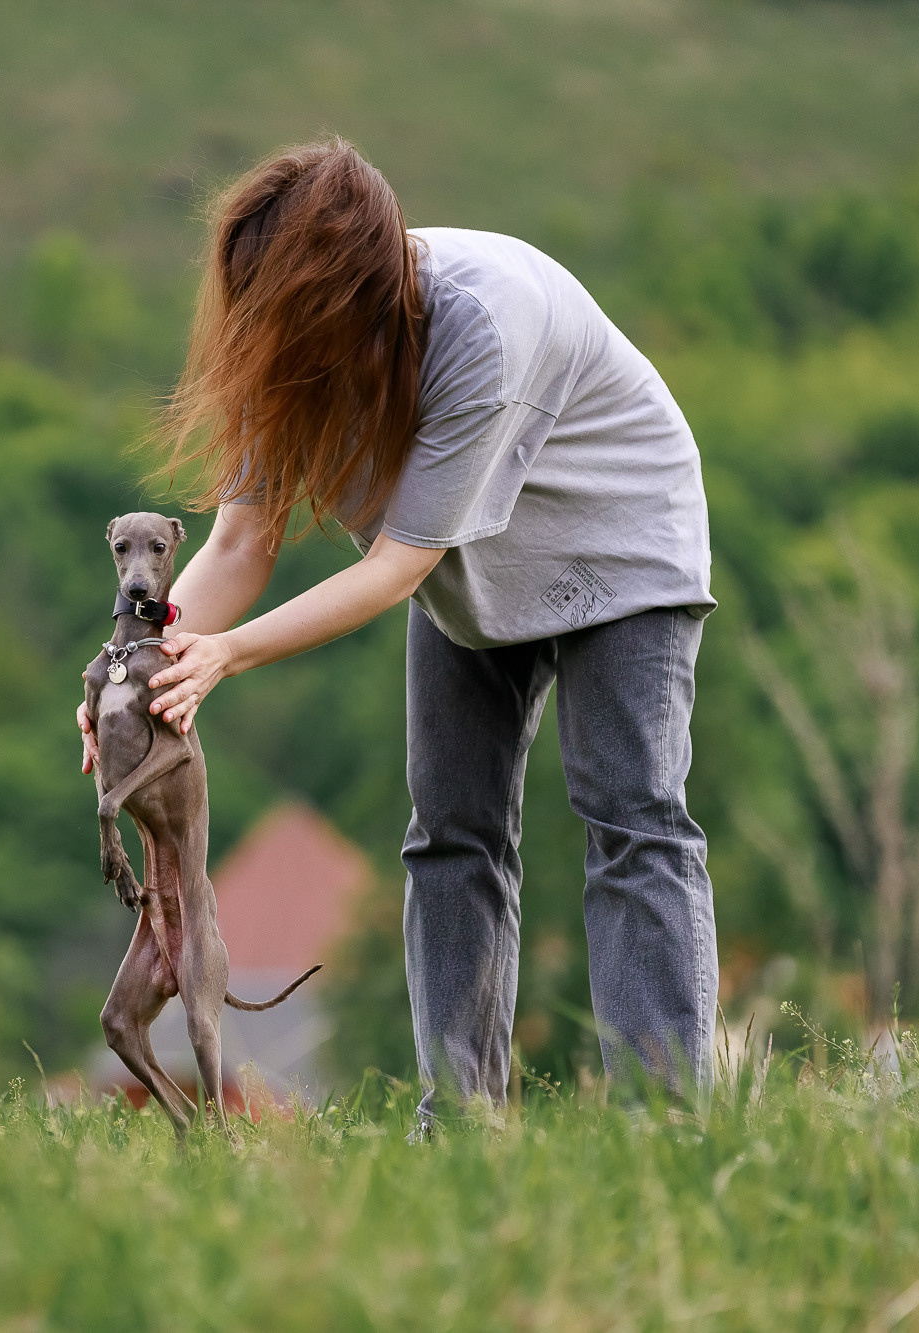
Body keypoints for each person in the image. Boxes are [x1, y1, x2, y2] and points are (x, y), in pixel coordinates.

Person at [77, 138, 718, 1118]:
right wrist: (139, 671)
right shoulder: (279, 331)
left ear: (352, 300)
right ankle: (458, 1120)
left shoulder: (478, 330)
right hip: (470, 570)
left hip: (614, 546)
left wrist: (228, 655)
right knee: (449, 830)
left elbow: (394, 566)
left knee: (630, 815)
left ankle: (667, 1117)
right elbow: (242, 542)